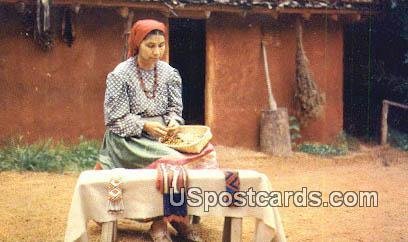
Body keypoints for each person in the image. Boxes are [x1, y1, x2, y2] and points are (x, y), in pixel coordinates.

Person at [96, 19, 217, 242]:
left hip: (162, 135)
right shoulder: (120, 75)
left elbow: (174, 109)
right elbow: (114, 120)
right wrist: (144, 125)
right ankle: (159, 223)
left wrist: (172, 122)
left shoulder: (169, 73)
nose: (157, 51)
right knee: (172, 161)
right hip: (129, 138)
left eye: (161, 45)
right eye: (150, 45)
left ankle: (180, 219)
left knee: (206, 155)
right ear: (137, 44)